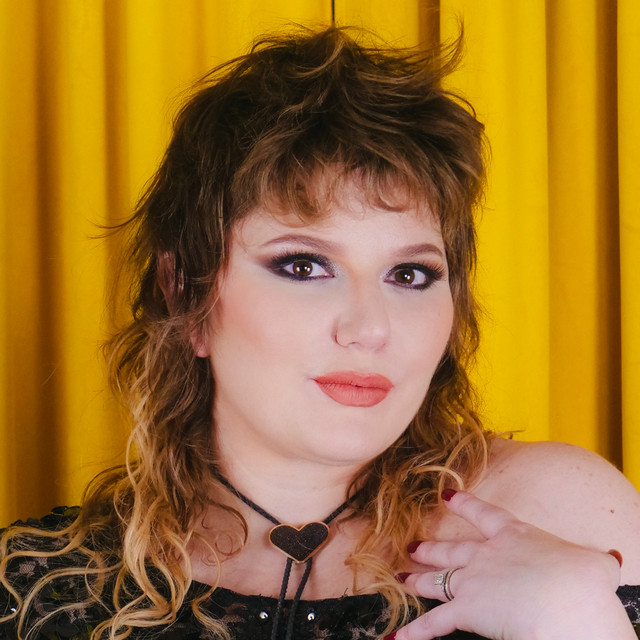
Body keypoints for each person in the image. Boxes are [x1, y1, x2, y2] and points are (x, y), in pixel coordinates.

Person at [1, 25, 639, 640]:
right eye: (304, 266)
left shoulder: (554, 514)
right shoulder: (38, 587)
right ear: (186, 294)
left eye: (410, 274)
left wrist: (583, 622)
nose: (369, 328)